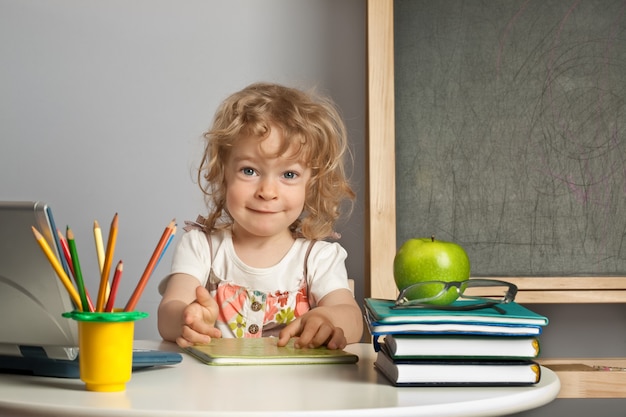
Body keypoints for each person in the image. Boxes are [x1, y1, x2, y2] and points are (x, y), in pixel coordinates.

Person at [157, 82, 363, 350]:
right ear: (223, 173)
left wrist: (326, 317)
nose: (267, 192)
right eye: (249, 171)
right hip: (215, 389)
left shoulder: (318, 258)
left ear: (310, 185)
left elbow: (352, 319)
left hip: (299, 390)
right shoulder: (201, 247)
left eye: (289, 175)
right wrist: (188, 320)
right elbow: (168, 312)